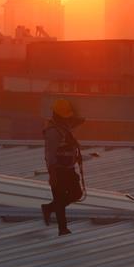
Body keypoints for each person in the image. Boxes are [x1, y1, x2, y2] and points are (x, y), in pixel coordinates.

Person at [41, 98, 85, 236]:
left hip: (68, 168)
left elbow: (78, 120)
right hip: (58, 169)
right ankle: (63, 229)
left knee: (77, 193)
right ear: (57, 115)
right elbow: (50, 153)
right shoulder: (53, 131)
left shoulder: (64, 126)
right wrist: (52, 173)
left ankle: (49, 208)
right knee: (60, 199)